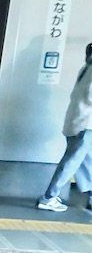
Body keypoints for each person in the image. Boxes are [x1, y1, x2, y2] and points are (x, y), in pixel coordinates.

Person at [38, 41, 92, 213]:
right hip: (86, 123)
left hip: (79, 121)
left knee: (86, 161)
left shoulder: (87, 67)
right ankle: (48, 197)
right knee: (72, 161)